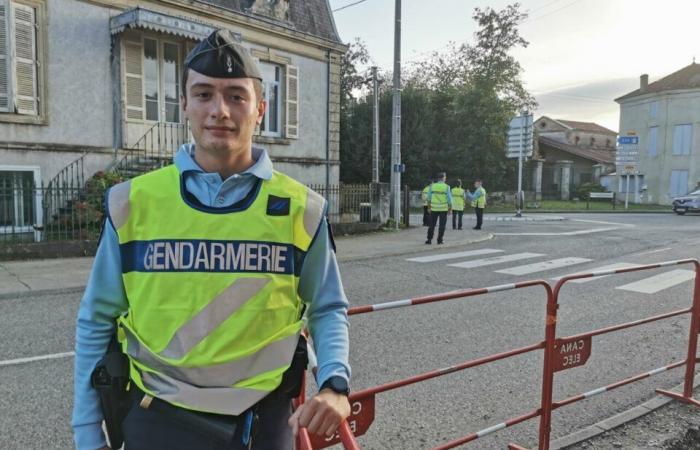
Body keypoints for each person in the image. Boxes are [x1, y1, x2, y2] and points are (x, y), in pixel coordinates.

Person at [72, 29, 351, 450]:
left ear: (261, 108)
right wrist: (86, 431)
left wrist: (335, 385)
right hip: (158, 420)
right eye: (203, 94)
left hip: (265, 422)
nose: (219, 110)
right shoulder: (132, 202)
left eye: (236, 96)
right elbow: (96, 319)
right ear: (183, 104)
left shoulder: (302, 209)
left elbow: (328, 308)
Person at [425, 172, 452, 244]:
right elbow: (449, 200)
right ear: (443, 178)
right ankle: (440, 240)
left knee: (432, 225)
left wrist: (428, 208)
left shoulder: (432, 186)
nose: (445, 179)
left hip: (434, 209)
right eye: (445, 177)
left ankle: (429, 240)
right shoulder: (447, 187)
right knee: (442, 225)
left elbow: (429, 198)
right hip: (443, 209)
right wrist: (450, 209)